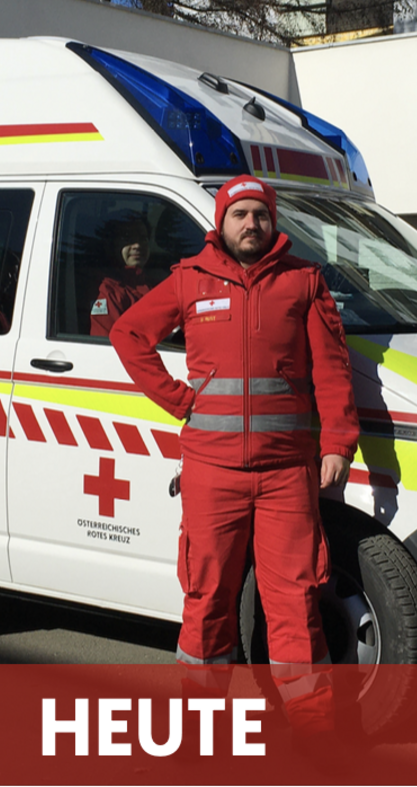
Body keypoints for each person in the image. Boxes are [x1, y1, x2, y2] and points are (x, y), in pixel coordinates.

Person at [107, 175, 357, 726]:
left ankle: (313, 725)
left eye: (260, 215)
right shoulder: (189, 279)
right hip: (210, 470)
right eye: (240, 214)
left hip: (287, 472)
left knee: (295, 602)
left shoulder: (302, 282)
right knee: (207, 599)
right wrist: (177, 399)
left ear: (273, 222)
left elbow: (333, 370)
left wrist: (338, 442)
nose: (251, 224)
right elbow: (128, 334)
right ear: (220, 222)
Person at [87, 216, 160, 337]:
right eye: (127, 238)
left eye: (143, 238)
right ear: (113, 245)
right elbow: (107, 347)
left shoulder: (158, 285)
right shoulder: (108, 291)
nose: (137, 245)